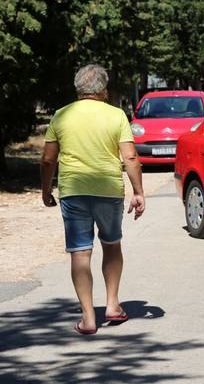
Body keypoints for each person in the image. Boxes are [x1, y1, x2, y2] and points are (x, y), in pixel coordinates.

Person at [40, 64, 145, 335]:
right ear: (104, 89)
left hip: (73, 190)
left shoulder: (61, 116)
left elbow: (48, 159)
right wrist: (138, 191)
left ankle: (88, 318)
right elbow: (131, 157)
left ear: (78, 90)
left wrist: (45, 190)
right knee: (111, 245)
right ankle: (112, 305)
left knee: (80, 252)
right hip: (108, 190)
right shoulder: (116, 115)